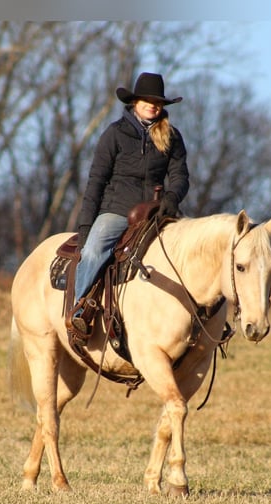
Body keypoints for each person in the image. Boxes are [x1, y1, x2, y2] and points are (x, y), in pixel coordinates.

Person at [70, 72, 190, 339]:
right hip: (117, 210)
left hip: (159, 211)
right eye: (147, 100)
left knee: (193, 250)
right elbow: (96, 182)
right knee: (93, 252)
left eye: (158, 101)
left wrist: (171, 198)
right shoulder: (114, 135)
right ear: (135, 102)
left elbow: (181, 176)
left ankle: (199, 317)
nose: (153, 105)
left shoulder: (172, 136)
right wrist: (87, 226)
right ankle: (79, 312)